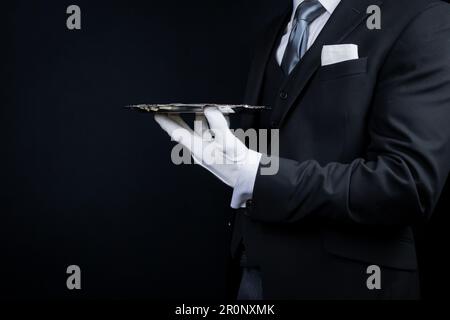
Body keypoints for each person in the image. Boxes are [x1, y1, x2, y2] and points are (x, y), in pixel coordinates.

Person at [155, 0, 450, 299]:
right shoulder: (270, 33)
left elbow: (406, 184)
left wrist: (254, 174)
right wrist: (226, 152)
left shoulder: (421, 17)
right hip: (250, 278)